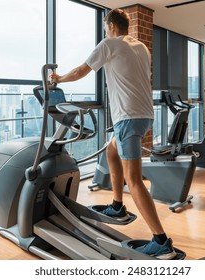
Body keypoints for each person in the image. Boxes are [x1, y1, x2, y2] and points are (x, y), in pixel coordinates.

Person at [50, 8, 176, 260]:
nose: (104, 29)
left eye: (105, 25)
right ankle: (117, 206)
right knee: (111, 149)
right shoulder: (141, 46)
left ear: (109, 24)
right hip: (144, 115)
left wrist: (58, 78)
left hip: (128, 117)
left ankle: (162, 241)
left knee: (134, 179)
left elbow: (82, 71)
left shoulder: (109, 43)